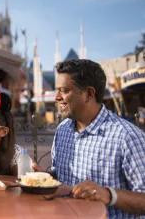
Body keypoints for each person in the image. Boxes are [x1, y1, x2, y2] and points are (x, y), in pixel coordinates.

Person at [52, 59, 145, 218]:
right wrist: (41, 178)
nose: (57, 97)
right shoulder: (62, 130)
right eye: (57, 90)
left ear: (89, 94)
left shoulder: (127, 137)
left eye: (64, 90)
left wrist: (109, 195)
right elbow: (57, 179)